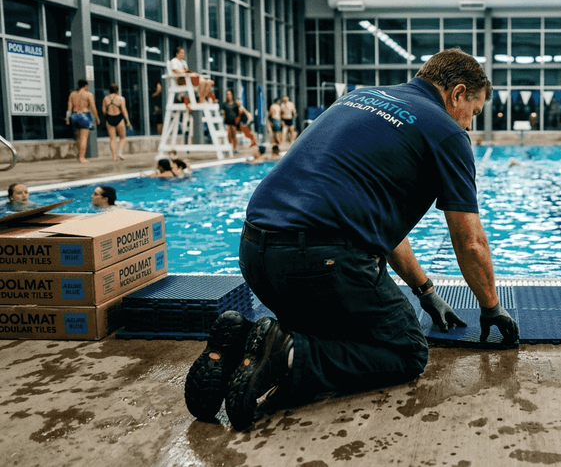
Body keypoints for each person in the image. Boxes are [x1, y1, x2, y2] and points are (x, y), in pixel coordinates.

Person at [184, 48, 518, 430]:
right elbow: (470, 241)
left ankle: (242, 340)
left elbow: (373, 223)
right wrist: (491, 307)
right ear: (457, 93)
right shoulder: (447, 132)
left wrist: (425, 290)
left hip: (255, 254)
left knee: (339, 329)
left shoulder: (357, 97)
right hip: (318, 264)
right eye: (473, 113)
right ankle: (289, 354)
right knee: (406, 350)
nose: (469, 127)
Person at [66, 79, 101, 164]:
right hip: (84, 115)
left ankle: (79, 156)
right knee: (84, 138)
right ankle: (82, 157)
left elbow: (69, 108)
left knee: (78, 138)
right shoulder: (88, 94)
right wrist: (97, 118)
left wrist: (67, 118)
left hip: (75, 115)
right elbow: (93, 107)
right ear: (85, 85)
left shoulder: (72, 94)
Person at [101, 84, 132, 161]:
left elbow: (104, 111)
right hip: (118, 118)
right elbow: (124, 111)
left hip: (109, 118)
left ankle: (114, 156)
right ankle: (120, 152)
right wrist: (128, 121)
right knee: (122, 137)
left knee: (112, 139)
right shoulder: (121, 99)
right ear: (117, 90)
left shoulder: (105, 99)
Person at [222, 90, 241, 154]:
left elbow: (239, 113)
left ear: (232, 95)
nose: (228, 96)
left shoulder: (235, 104)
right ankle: (229, 148)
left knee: (234, 136)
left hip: (234, 122)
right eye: (227, 94)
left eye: (229, 94)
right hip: (227, 122)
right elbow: (223, 113)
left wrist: (238, 121)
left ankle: (235, 148)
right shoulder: (225, 104)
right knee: (229, 136)